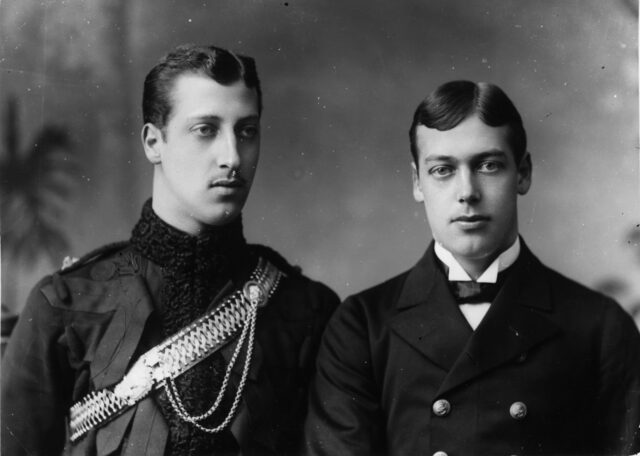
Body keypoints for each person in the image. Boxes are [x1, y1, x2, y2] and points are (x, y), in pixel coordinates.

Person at [2, 44, 339, 456]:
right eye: (206, 130)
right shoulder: (64, 306)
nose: (232, 157)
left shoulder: (305, 311)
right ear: (152, 142)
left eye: (246, 131)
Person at [304, 80, 640, 456]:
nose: (467, 191)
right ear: (418, 182)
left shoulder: (600, 327)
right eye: (443, 170)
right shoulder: (361, 327)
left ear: (523, 173)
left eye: (489, 165)